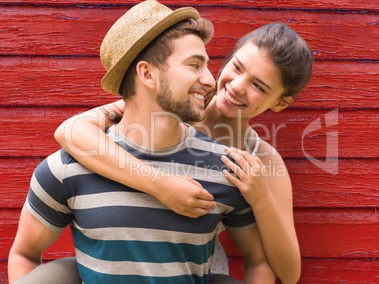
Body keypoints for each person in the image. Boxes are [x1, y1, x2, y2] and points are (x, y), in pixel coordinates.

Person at [8, 1, 275, 283]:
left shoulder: (226, 168)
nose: (210, 80)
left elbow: (259, 261)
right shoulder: (66, 168)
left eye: (207, 66)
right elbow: (24, 254)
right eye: (195, 65)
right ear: (148, 74)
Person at [54, 17, 314, 284]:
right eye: (237, 67)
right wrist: (161, 185)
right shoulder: (174, 109)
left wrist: (261, 199)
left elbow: (288, 273)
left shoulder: (262, 159)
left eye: (258, 86)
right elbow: (70, 131)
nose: (237, 85)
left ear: (281, 103)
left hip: (197, 271)